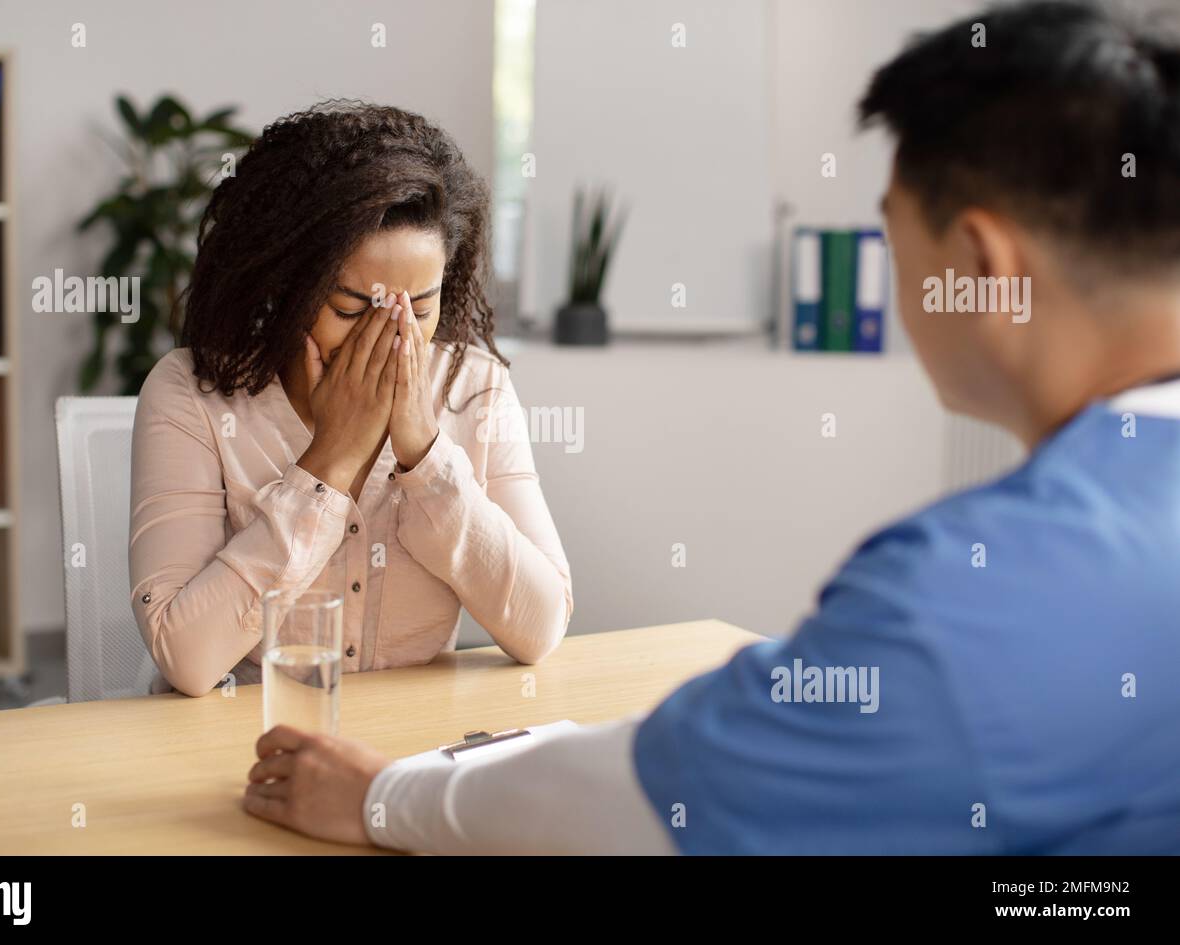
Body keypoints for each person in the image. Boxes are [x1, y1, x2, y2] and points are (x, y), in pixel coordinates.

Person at [243, 1, 1180, 854]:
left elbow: (668, 800)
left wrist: (385, 797)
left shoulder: (976, 591)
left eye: (892, 238)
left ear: (977, 264)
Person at [129, 102, 572, 698]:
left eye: (420, 308)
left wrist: (427, 457)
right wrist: (329, 464)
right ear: (284, 285)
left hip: (408, 751)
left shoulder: (474, 388)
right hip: (240, 742)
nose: (392, 337)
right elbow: (186, 659)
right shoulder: (191, 394)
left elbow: (540, 629)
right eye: (348, 310)